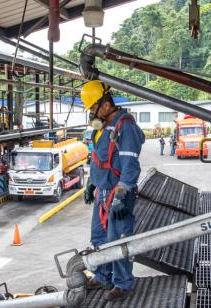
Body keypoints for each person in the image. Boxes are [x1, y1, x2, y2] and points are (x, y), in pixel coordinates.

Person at [81, 80, 145, 301]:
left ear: (106, 104)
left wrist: (122, 192)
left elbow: (130, 165)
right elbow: (100, 159)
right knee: (99, 237)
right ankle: (103, 274)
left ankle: (123, 284)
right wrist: (92, 182)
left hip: (118, 194)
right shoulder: (104, 126)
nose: (91, 113)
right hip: (102, 191)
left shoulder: (124, 126)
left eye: (92, 108)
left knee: (118, 240)